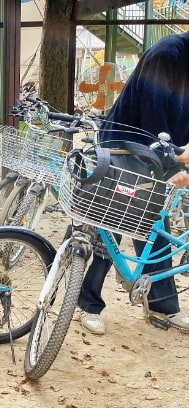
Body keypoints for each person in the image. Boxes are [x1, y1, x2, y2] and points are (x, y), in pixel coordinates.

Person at [77, 31, 189, 334]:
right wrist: (178, 156)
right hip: (126, 147)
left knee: (156, 230)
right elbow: (153, 114)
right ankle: (88, 304)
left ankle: (162, 305)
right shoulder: (168, 54)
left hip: (164, 153)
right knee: (114, 222)